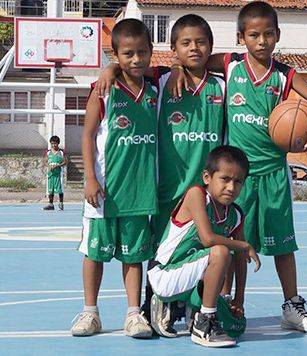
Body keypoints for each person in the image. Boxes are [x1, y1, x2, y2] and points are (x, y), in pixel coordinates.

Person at [167, 1, 307, 333]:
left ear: (277, 35)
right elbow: (191, 59)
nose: (262, 41)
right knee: (230, 245)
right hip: (237, 180)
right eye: (254, 35)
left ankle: (292, 304)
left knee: (283, 245)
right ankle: (223, 304)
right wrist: (177, 69)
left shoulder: (285, 75)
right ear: (240, 37)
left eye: (268, 34)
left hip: (273, 175)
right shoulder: (230, 65)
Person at [95, 14, 227, 331]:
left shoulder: (222, 86)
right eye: (186, 43)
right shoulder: (162, 79)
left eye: (201, 42)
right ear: (172, 49)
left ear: (211, 46)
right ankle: (156, 302)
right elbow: (127, 66)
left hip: (206, 193)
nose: (194, 48)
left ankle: (199, 309)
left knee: (202, 251)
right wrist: (110, 67)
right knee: (162, 252)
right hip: (168, 190)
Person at [70, 18, 158, 338]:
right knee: (94, 252)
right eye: (128, 54)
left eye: (142, 52)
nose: (136, 60)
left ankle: (134, 314)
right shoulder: (104, 89)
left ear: (151, 52)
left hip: (140, 190)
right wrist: (90, 178)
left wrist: (111, 66)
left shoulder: (156, 88)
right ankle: (90, 311)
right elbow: (88, 135)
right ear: (116, 54)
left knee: (134, 256)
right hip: (105, 190)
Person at [148, 145, 260, 348]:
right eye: (225, 179)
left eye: (238, 182)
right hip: (165, 273)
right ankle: (204, 322)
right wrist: (243, 245)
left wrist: (238, 299)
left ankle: (184, 308)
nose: (231, 188)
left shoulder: (235, 214)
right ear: (207, 177)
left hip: (193, 274)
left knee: (237, 326)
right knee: (219, 251)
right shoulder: (196, 194)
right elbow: (208, 239)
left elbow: (240, 259)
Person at [43, 135, 67, 211]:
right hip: (50, 174)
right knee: (50, 190)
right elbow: (45, 161)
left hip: (58, 174)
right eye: (52, 143)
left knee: (60, 189)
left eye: (55, 143)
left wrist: (57, 165)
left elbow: (65, 162)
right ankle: (51, 204)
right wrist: (49, 166)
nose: (53, 145)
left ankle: (61, 203)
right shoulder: (48, 152)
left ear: (58, 143)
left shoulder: (61, 152)